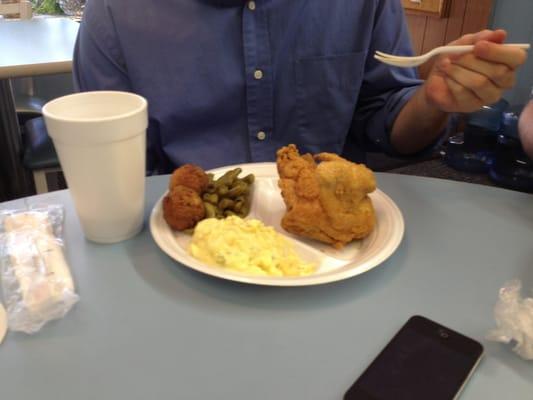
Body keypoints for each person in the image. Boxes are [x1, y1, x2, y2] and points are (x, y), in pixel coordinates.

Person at [73, 0, 527, 174]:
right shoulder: (116, 14)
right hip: (183, 252)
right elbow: (120, 176)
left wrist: (433, 102)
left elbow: (387, 122)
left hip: (340, 256)